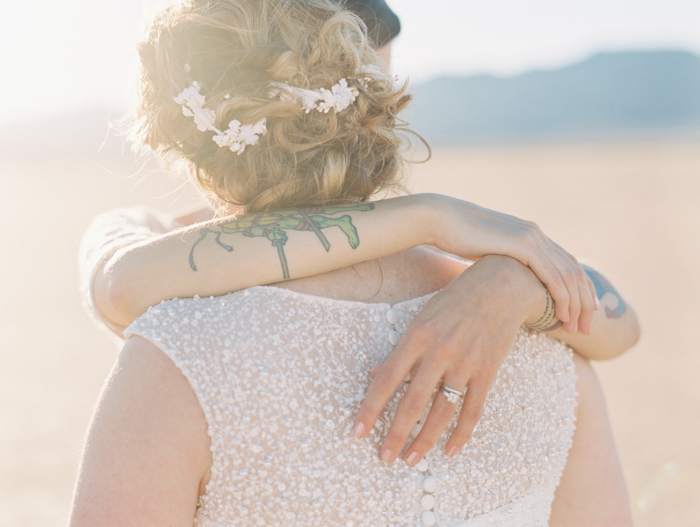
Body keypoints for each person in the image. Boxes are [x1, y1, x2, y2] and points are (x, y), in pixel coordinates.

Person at [71, 0, 639, 525]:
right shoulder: (552, 354)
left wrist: (481, 258)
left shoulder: (175, 359)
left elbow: (121, 273)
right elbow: (616, 325)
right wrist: (467, 247)